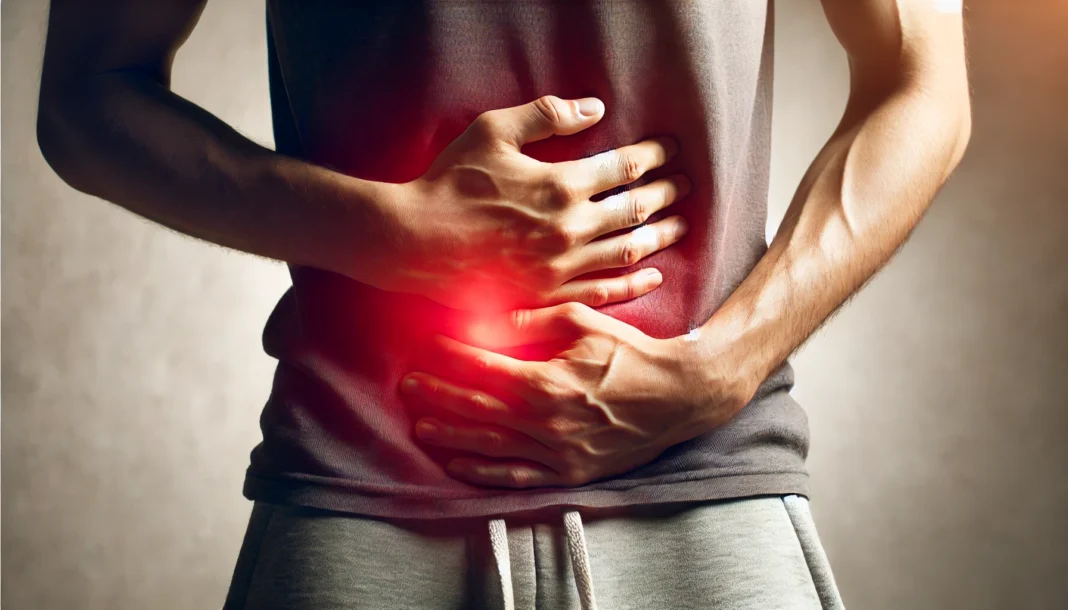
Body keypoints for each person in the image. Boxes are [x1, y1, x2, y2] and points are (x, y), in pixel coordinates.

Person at [37, 0, 970, 608]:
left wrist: (717, 371)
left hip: (704, 505)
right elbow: (87, 98)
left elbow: (923, 84)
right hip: (365, 505)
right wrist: (392, 231)